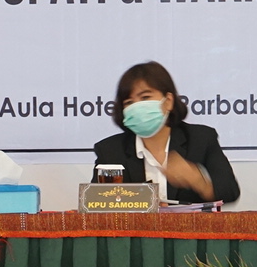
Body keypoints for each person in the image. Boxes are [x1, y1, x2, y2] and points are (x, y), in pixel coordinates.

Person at [93, 62, 240, 205]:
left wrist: (197, 180)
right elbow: (96, 203)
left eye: (145, 97)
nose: (137, 107)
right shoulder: (110, 151)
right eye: (129, 103)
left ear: (168, 101)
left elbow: (230, 192)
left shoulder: (201, 139)